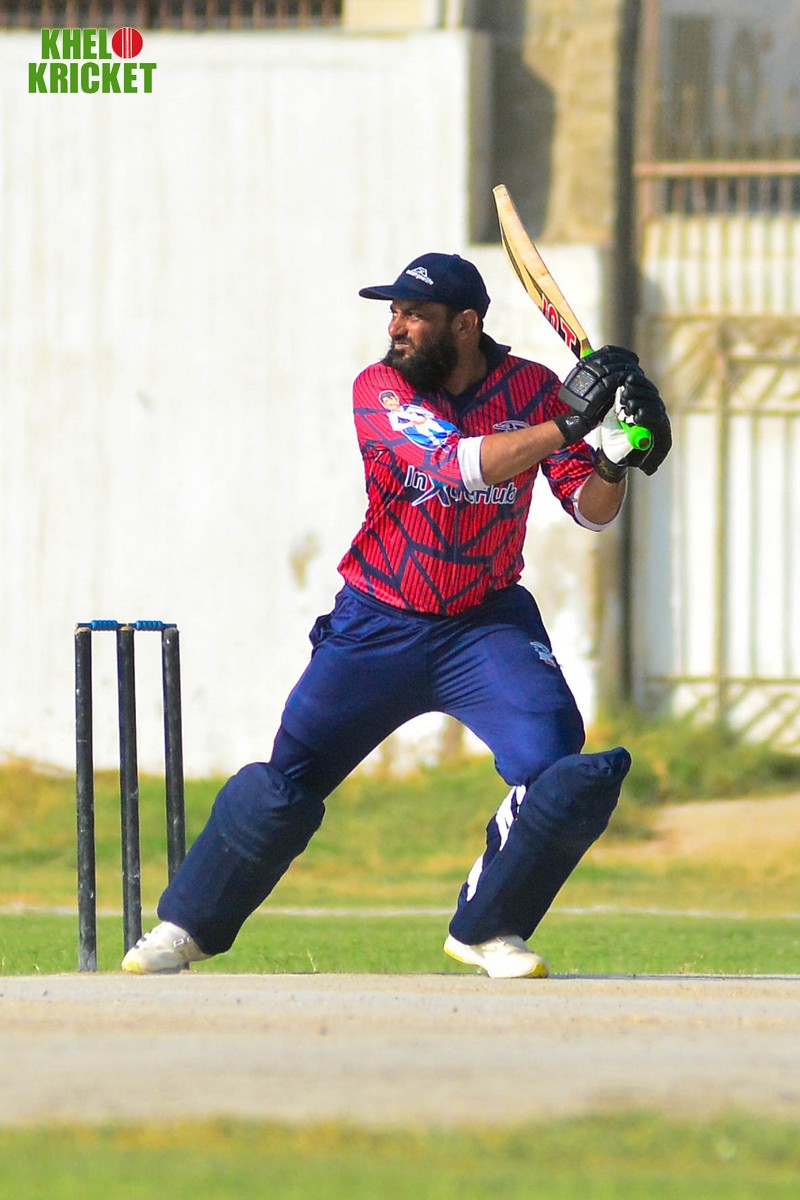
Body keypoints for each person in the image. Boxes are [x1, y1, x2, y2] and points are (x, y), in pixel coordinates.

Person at [122, 252, 671, 978]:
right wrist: (569, 423)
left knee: (558, 765)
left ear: (465, 325)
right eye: (394, 312)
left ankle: (489, 929)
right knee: (289, 779)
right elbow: (456, 464)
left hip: (484, 622)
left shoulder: (532, 388)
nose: (396, 327)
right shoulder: (380, 388)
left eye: (415, 315)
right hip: (378, 620)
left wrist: (615, 455)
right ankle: (185, 928)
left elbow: (591, 512)